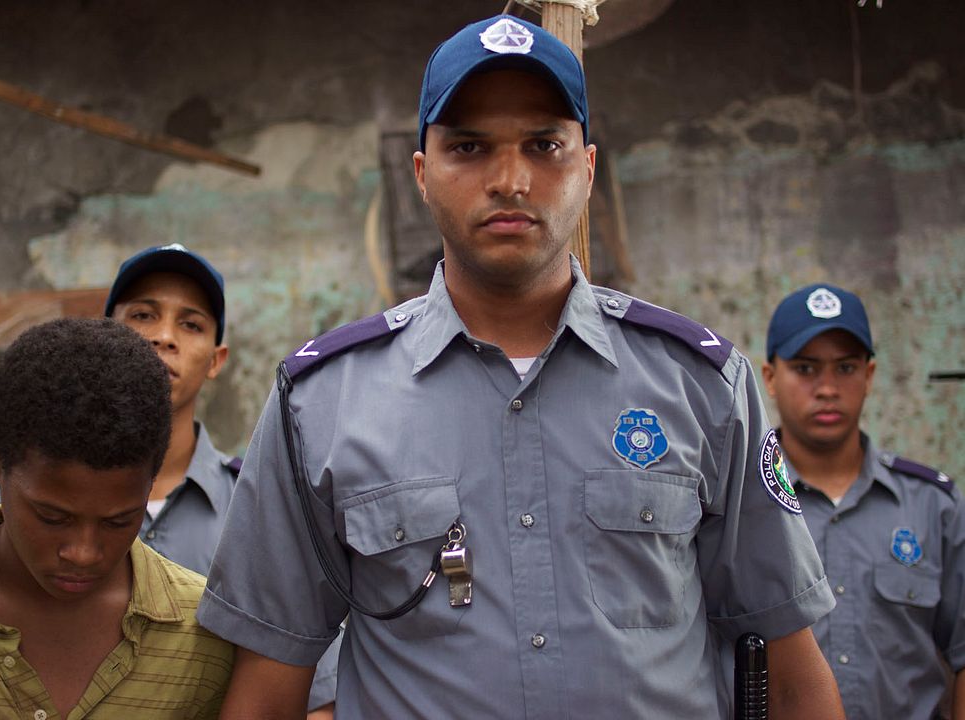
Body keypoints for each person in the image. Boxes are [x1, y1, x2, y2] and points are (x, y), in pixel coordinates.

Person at [195, 15, 845, 719]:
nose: (509, 180)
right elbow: (268, 689)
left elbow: (789, 671)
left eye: (545, 145)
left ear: (588, 168)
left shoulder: (701, 385)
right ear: (421, 173)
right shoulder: (319, 402)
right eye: (469, 147)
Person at [0, 244, 339, 716]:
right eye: (143, 315)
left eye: (190, 324)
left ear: (217, 358)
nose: (164, 337)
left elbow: (302, 691)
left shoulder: (259, 510)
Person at [0, 318, 235, 718]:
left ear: (151, 482)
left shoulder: (206, 639)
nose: (83, 553)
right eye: (52, 518)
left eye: (118, 521)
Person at [762, 283, 965, 719]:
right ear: (771, 378)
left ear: (870, 376)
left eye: (846, 368)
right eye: (806, 368)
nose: (828, 388)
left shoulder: (934, 506)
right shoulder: (742, 505)